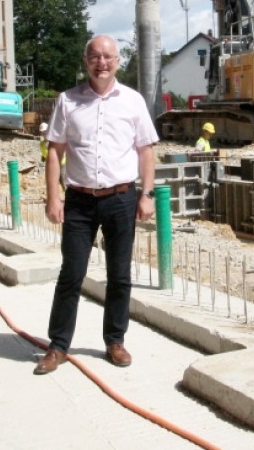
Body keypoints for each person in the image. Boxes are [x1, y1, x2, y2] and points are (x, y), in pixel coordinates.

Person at [34, 35, 159, 375]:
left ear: (118, 61)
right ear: (85, 61)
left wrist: (146, 195)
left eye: (108, 56)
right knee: (71, 275)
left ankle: (114, 341)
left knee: (120, 276)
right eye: (94, 56)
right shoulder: (68, 101)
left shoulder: (133, 102)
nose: (101, 62)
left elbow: (146, 151)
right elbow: (55, 152)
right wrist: (53, 196)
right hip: (79, 202)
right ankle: (58, 346)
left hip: (121, 198)